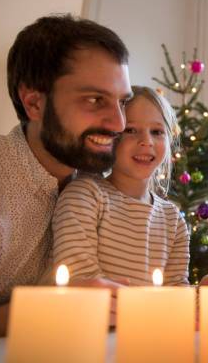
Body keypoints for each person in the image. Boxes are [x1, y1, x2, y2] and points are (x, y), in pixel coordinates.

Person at [0, 14, 133, 340]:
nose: (119, 123)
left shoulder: (105, 193)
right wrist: (32, 313)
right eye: (95, 99)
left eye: (122, 102)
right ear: (33, 102)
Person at [51, 86, 190, 285]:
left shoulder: (173, 220)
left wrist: (203, 293)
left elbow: (176, 293)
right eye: (130, 130)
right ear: (111, 137)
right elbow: (81, 280)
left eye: (157, 131)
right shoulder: (84, 196)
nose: (146, 141)